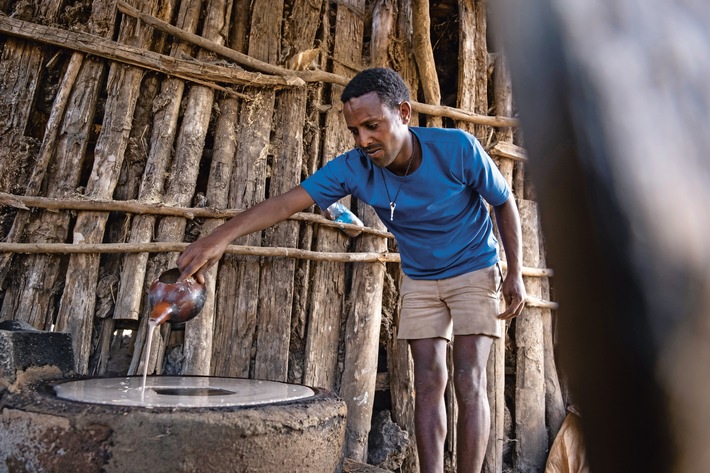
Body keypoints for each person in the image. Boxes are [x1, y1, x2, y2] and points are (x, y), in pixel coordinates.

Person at [177, 67, 526, 473]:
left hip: (473, 266)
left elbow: (503, 201)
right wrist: (218, 237)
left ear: (404, 113)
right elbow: (287, 203)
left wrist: (514, 271)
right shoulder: (354, 167)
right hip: (420, 275)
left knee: (469, 379)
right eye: (355, 130)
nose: (364, 140)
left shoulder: (457, 149)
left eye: (372, 126)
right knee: (428, 383)